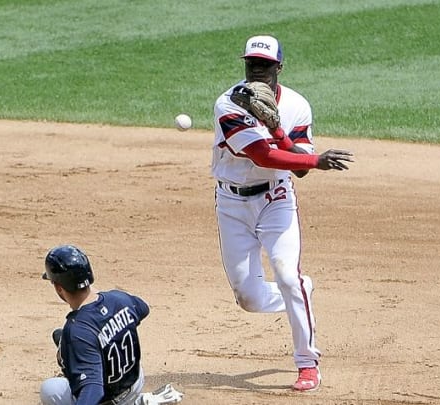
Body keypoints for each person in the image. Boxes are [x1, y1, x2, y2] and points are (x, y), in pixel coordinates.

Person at [211, 34, 355, 392]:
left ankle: (307, 363)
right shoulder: (228, 104)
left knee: (287, 276)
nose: (256, 69)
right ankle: (300, 291)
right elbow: (263, 156)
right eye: (250, 63)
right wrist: (315, 160)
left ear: (279, 67)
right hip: (231, 206)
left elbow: (299, 170)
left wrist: (278, 129)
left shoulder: (296, 105)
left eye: (264, 64)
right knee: (249, 299)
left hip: (276, 201)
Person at [39, 245, 182, 405]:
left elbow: (93, 389)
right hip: (135, 382)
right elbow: (143, 308)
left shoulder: (77, 330)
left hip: (109, 399)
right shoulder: (118, 299)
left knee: (50, 389)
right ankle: (138, 400)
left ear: (59, 288)